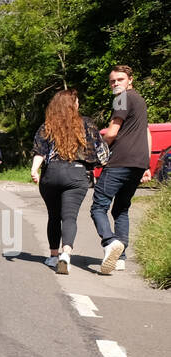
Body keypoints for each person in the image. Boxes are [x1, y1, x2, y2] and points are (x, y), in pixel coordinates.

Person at [30, 89, 106, 275]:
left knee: (54, 216)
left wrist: (34, 170)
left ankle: (53, 256)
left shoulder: (47, 126)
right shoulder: (86, 124)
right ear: (73, 105)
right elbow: (101, 152)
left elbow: (40, 151)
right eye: (77, 101)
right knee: (69, 217)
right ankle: (66, 254)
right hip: (77, 174)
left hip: (51, 174)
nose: (79, 104)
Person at [91, 65, 153, 274]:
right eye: (112, 81)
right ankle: (121, 258)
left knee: (98, 206)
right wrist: (146, 165)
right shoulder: (140, 100)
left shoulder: (121, 98)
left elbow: (112, 132)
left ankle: (110, 243)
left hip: (120, 161)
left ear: (130, 81)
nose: (115, 83)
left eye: (120, 79)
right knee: (121, 209)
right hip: (137, 163)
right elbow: (146, 133)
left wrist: (96, 146)